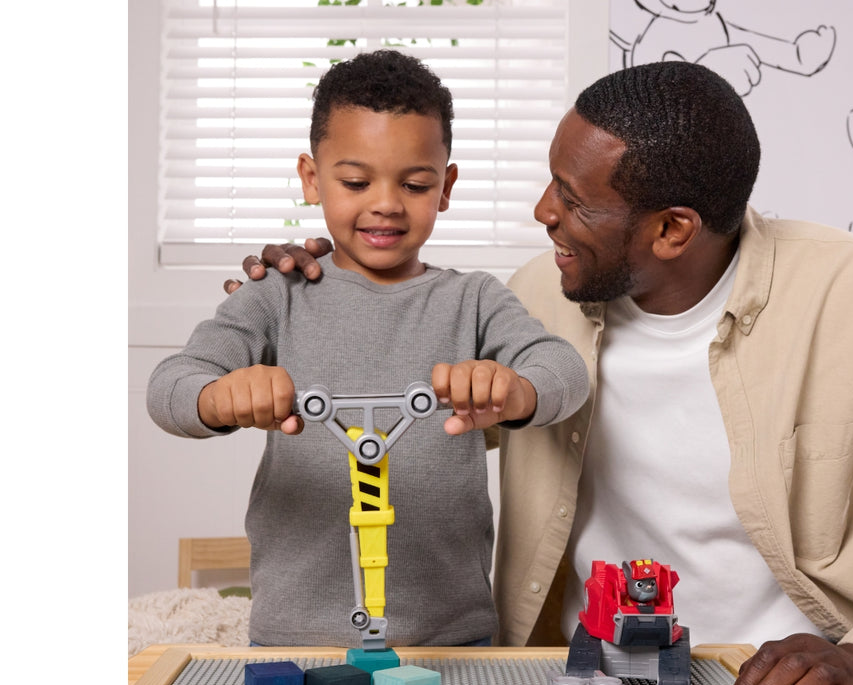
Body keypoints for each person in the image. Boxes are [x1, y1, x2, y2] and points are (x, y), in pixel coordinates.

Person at [230, 61, 853, 685]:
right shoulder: (537, 295)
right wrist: (322, 293)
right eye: (552, 181)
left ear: (672, 230)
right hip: (575, 676)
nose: (544, 212)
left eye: (575, 202)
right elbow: (409, 410)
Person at [148, 50, 588, 649]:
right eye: (356, 182)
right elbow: (168, 388)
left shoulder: (474, 299)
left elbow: (565, 371)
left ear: (446, 187)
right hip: (296, 638)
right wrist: (218, 397)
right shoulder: (276, 295)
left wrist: (516, 390)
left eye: (415, 184)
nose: (386, 203)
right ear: (311, 178)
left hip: (452, 640)